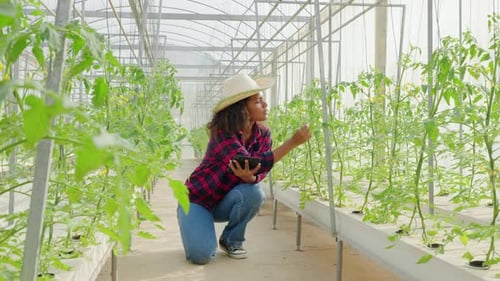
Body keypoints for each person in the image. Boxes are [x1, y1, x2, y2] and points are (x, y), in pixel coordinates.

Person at [177, 72, 311, 265]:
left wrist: (250, 179)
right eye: (257, 101)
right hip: (198, 200)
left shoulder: (263, 134)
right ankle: (188, 219)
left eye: (263, 100)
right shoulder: (222, 132)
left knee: (254, 192)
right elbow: (253, 162)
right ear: (242, 109)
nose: (264, 105)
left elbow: (260, 171)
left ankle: (231, 240)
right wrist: (292, 142)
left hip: (224, 201)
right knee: (202, 256)